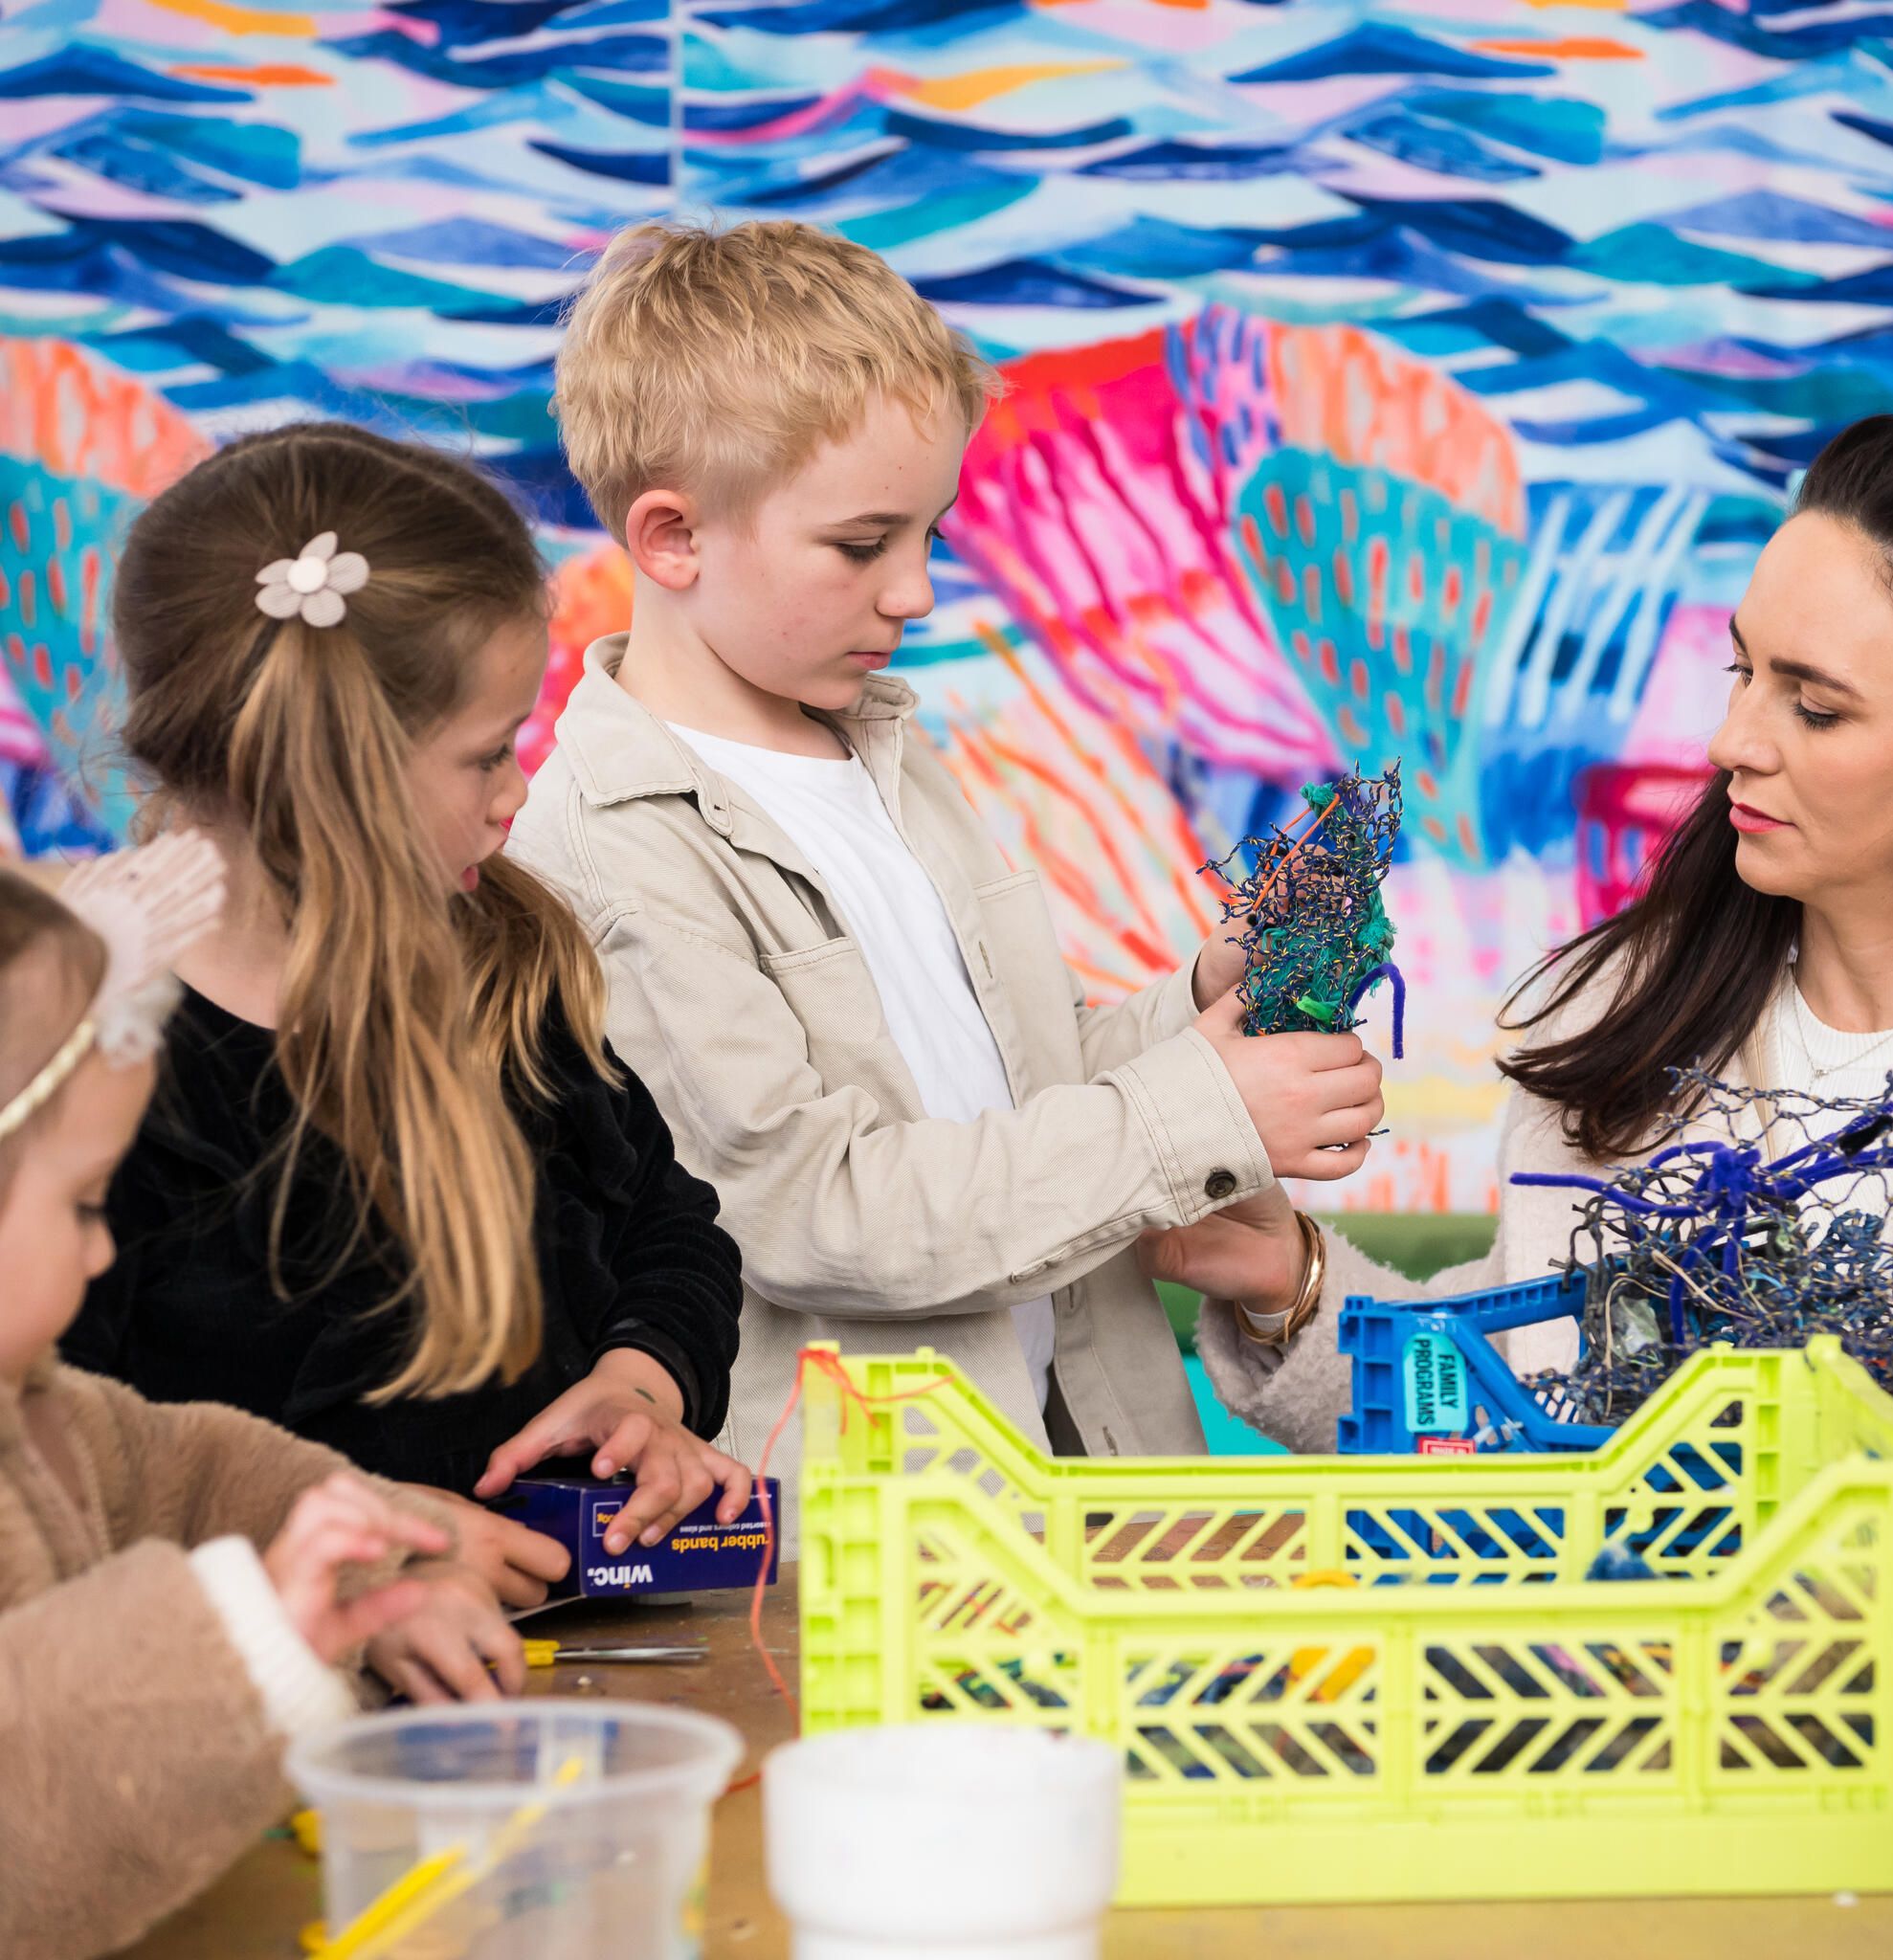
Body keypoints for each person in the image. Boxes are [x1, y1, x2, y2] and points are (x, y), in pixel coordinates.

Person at [512, 217, 1383, 1501]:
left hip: (1078, 1477)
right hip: (879, 1545)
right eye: (864, 546)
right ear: (673, 538)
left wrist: (1201, 1002)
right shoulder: (613, 853)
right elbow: (817, 1209)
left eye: (930, 533)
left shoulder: (886, 755)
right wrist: (1203, 1108)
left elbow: (1015, 1092)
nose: (914, 591)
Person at [1174, 406, 1893, 1448]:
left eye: (1812, 708)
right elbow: (1515, 1414)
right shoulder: (1621, 1018)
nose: (1732, 741)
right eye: (1741, 672)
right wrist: (1290, 1280)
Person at [62, 423, 751, 1581]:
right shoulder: (94, 1064)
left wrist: (643, 1383)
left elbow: (666, 1226)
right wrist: (369, 1565)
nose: (516, 794)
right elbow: (72, 1478)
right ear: (333, 772)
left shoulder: (503, 962)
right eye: (486, 755)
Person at [0, 844, 525, 1960]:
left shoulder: (39, 1409)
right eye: (87, 1202)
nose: (102, 1249)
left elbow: (188, 1469)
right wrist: (250, 1640)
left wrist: (373, 1559)